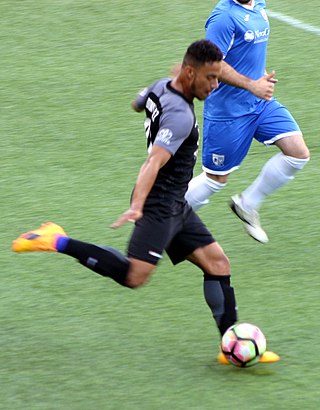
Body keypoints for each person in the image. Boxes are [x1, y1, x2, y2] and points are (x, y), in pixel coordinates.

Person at [12, 39, 278, 364]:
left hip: (176, 203)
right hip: (158, 206)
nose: (215, 84)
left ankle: (229, 342)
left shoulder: (161, 86)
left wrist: (151, 101)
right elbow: (153, 162)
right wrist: (138, 205)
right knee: (134, 277)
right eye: (210, 77)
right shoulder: (180, 116)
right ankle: (55, 239)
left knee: (218, 264)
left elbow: (138, 102)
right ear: (190, 73)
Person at [185, 0, 310, 243]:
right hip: (228, 112)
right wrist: (251, 84)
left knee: (297, 153)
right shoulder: (223, 17)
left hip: (259, 103)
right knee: (215, 179)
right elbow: (211, 64)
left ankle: (247, 204)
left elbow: (246, 51)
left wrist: (257, 76)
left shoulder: (259, 5)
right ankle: (163, 218)